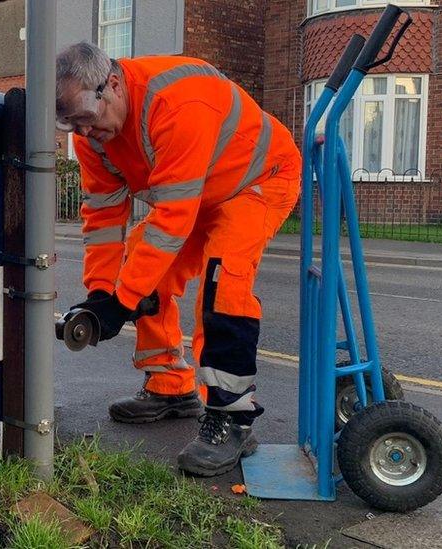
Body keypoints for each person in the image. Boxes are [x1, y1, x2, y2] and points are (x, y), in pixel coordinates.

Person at [57, 42, 301, 476]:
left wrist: (122, 301)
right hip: (198, 194)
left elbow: (171, 221)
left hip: (258, 180)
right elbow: (103, 220)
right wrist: (100, 294)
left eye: (86, 119)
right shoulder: (92, 138)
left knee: (224, 282)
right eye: (70, 124)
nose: (83, 134)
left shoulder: (178, 101)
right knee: (139, 264)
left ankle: (232, 418)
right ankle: (170, 386)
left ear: (111, 85)